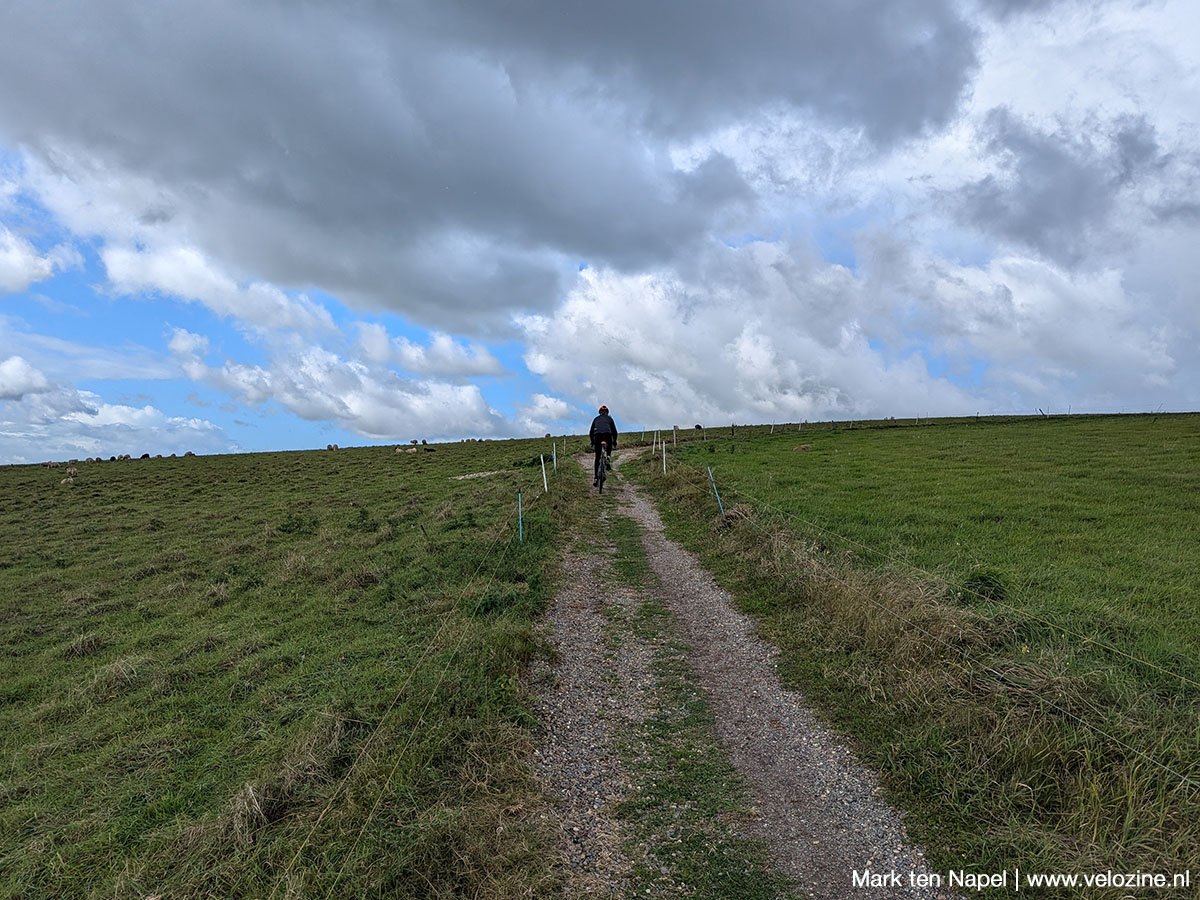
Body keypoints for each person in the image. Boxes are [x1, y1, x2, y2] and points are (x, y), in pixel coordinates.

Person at [589, 404, 617, 487]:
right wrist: (614, 441)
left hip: (597, 436)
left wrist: (592, 441)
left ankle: (595, 478)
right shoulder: (610, 419)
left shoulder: (596, 419)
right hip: (607, 435)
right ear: (607, 413)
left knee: (597, 457)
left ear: (600, 412)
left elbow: (591, 432)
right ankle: (608, 457)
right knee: (609, 446)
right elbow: (614, 432)